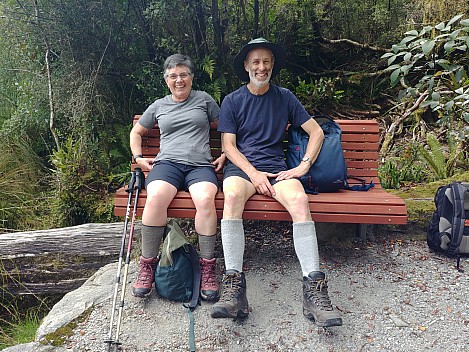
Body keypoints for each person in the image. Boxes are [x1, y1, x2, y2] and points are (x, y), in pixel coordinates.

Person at [210, 38, 343, 327]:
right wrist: (253, 174)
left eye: (266, 61)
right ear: (246, 66)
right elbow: (229, 146)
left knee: (299, 200)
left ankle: (314, 291)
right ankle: (234, 288)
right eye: (255, 61)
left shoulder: (285, 97)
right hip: (242, 170)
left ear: (272, 65)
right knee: (231, 197)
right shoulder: (232, 100)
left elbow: (317, 133)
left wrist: (302, 166)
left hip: (276, 169)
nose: (262, 67)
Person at [130, 54, 224, 302]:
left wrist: (225, 153)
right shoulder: (159, 105)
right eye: (173, 76)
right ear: (166, 79)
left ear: (191, 77)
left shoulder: (204, 100)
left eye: (183, 75)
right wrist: (138, 157)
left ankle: (207, 268)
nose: (178, 80)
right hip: (167, 164)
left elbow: (225, 126)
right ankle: (147, 265)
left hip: (199, 165)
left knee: (205, 199)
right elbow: (136, 131)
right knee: (156, 197)